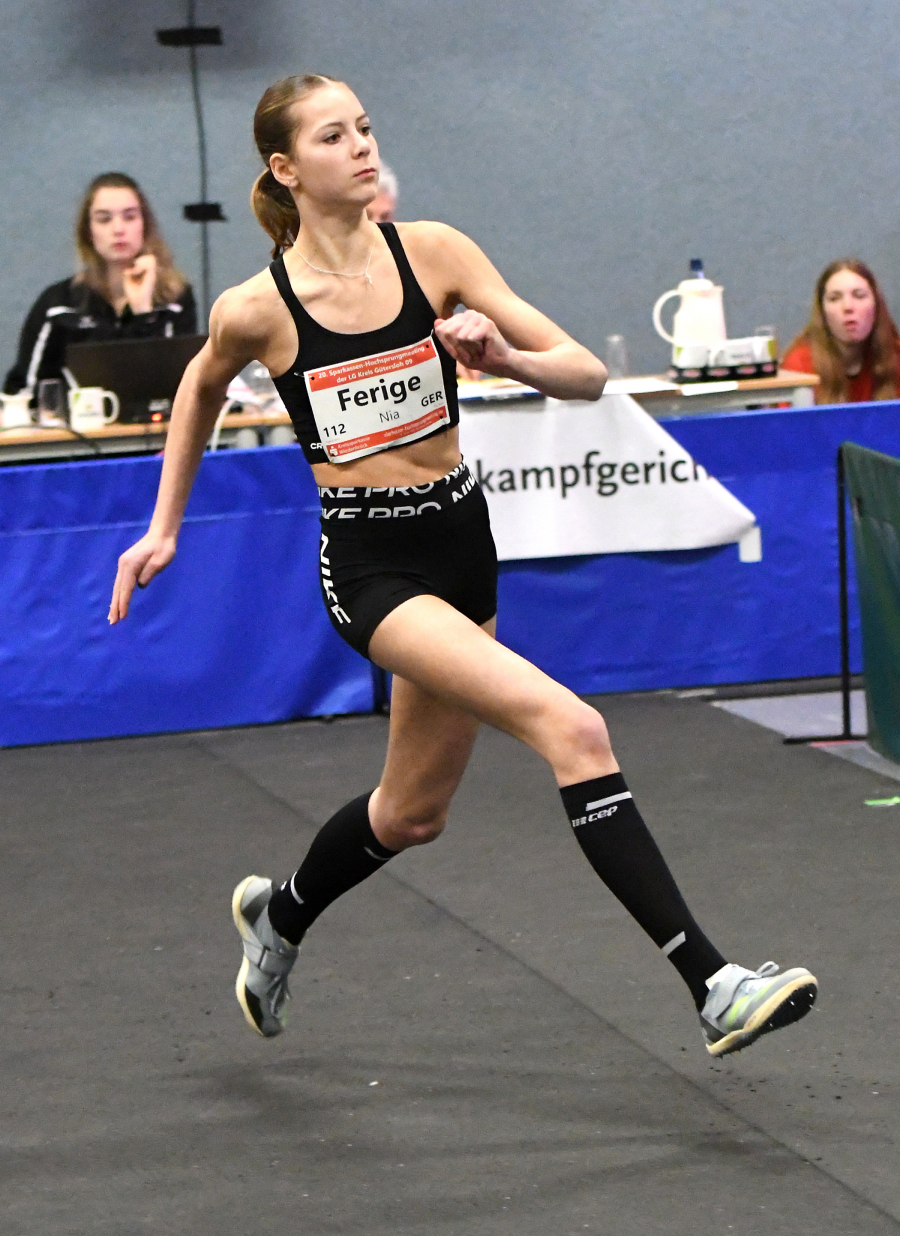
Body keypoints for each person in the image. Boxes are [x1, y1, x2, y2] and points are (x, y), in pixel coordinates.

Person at [108, 73, 817, 1058]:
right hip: (369, 566)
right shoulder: (257, 308)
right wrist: (164, 527)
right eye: (332, 136)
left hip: (460, 539)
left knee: (413, 812)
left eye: (365, 126)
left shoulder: (434, 253)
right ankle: (714, 983)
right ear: (285, 168)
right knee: (573, 727)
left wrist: (503, 360)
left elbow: (586, 371)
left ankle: (281, 918)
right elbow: (198, 389)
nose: (361, 145)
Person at [4, 172, 197, 395]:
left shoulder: (175, 298)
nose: (118, 229)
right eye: (104, 219)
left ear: (145, 225)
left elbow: (176, 388)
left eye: (130, 217)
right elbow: (22, 391)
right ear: (88, 231)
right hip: (76, 427)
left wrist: (143, 312)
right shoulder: (58, 305)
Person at [782, 258, 900, 404]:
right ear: (822, 313)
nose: (848, 307)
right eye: (835, 298)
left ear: (876, 306)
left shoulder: (896, 356)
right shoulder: (799, 366)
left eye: (859, 295)